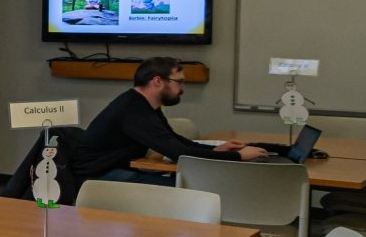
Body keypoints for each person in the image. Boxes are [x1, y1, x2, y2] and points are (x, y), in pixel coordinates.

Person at [73, 57, 269, 183]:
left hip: (115, 169)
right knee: (189, 187)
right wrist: (239, 157)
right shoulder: (134, 110)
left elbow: (173, 140)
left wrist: (215, 150)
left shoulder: (144, 104)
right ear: (157, 81)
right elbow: (179, 153)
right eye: (179, 82)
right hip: (98, 177)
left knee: (189, 184)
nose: (182, 89)